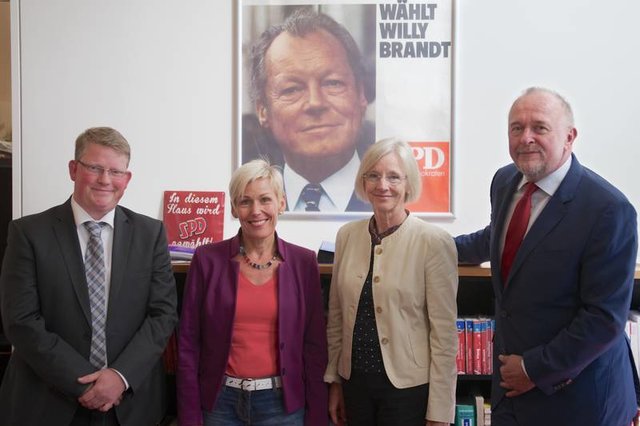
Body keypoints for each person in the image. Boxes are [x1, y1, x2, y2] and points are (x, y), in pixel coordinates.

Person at [455, 87, 639, 426]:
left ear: (569, 137)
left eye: (539, 127)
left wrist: (532, 369)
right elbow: (499, 237)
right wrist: (427, 245)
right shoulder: (505, 180)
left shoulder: (609, 210)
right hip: (510, 392)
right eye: (516, 128)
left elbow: (604, 318)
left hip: (577, 398)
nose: (525, 138)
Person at [0, 127, 178, 425]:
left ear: (127, 179)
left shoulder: (151, 234)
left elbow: (163, 315)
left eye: (115, 171)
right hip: (47, 401)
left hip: (128, 404)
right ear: (73, 169)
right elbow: (21, 320)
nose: (105, 180)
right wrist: (86, 383)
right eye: (94, 167)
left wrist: (119, 378)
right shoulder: (28, 233)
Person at [176, 159, 328, 426]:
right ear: (235, 208)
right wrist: (189, 414)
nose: (256, 210)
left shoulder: (304, 263)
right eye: (245, 201)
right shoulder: (206, 260)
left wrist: (317, 414)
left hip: (283, 407)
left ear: (281, 202)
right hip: (219, 403)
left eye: (265, 199)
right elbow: (188, 344)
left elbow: (314, 348)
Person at [324, 138, 459, 426]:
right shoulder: (347, 236)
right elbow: (336, 318)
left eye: (393, 176)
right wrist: (335, 381)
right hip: (355, 384)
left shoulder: (433, 242)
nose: (382, 185)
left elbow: (444, 336)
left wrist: (440, 411)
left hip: (408, 390)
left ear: (408, 184)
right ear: (363, 182)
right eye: (373, 175)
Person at [244, 8, 374, 212]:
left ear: (361, 95)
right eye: (292, 89)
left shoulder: (392, 196)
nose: (315, 103)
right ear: (262, 110)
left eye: (333, 83)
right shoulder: (248, 200)